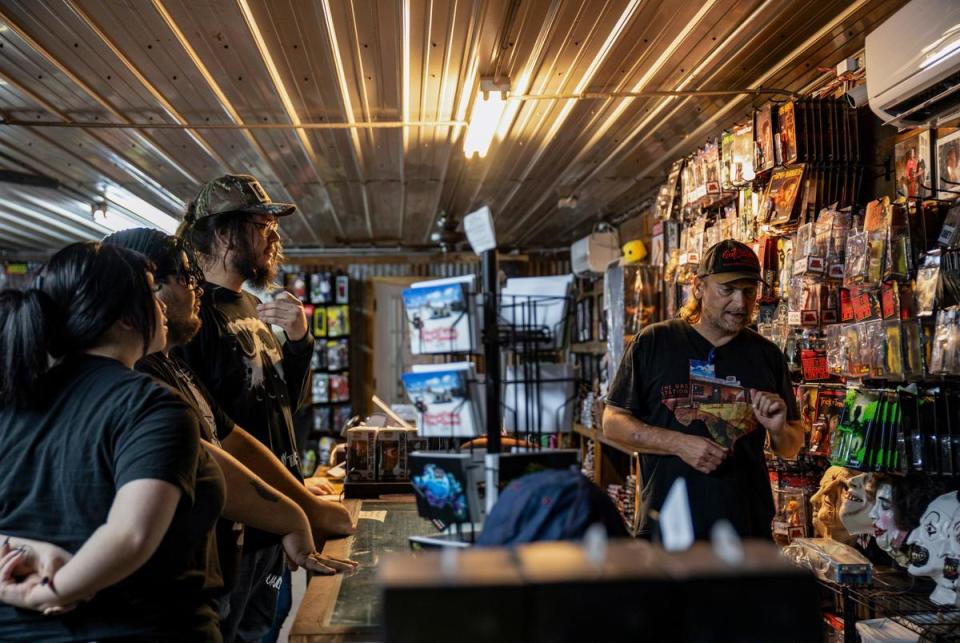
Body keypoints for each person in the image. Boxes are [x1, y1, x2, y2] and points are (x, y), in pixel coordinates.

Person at [102, 229, 354, 588]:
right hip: (182, 581)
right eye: (187, 278)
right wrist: (297, 514)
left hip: (237, 546)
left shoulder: (172, 361)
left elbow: (232, 437)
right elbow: (200, 457)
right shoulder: (134, 381)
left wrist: (299, 507)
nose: (197, 290)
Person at [0, 242, 225, 640]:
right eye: (152, 291)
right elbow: (129, 535)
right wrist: (51, 591)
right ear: (125, 317)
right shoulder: (153, 406)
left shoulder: (15, 396)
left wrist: (26, 552)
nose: (161, 306)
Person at [176, 175, 330, 642]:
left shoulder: (250, 306)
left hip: (275, 520)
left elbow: (285, 404)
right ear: (224, 233)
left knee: (262, 631)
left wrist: (300, 340)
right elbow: (203, 438)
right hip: (234, 532)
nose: (273, 236)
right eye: (262, 225)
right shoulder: (193, 318)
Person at [602, 239, 803, 541]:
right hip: (667, 532)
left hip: (746, 534)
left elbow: (790, 445)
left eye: (749, 291)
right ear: (698, 287)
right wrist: (679, 444)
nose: (740, 303)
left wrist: (777, 430)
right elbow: (612, 423)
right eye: (728, 290)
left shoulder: (767, 355)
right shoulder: (655, 342)